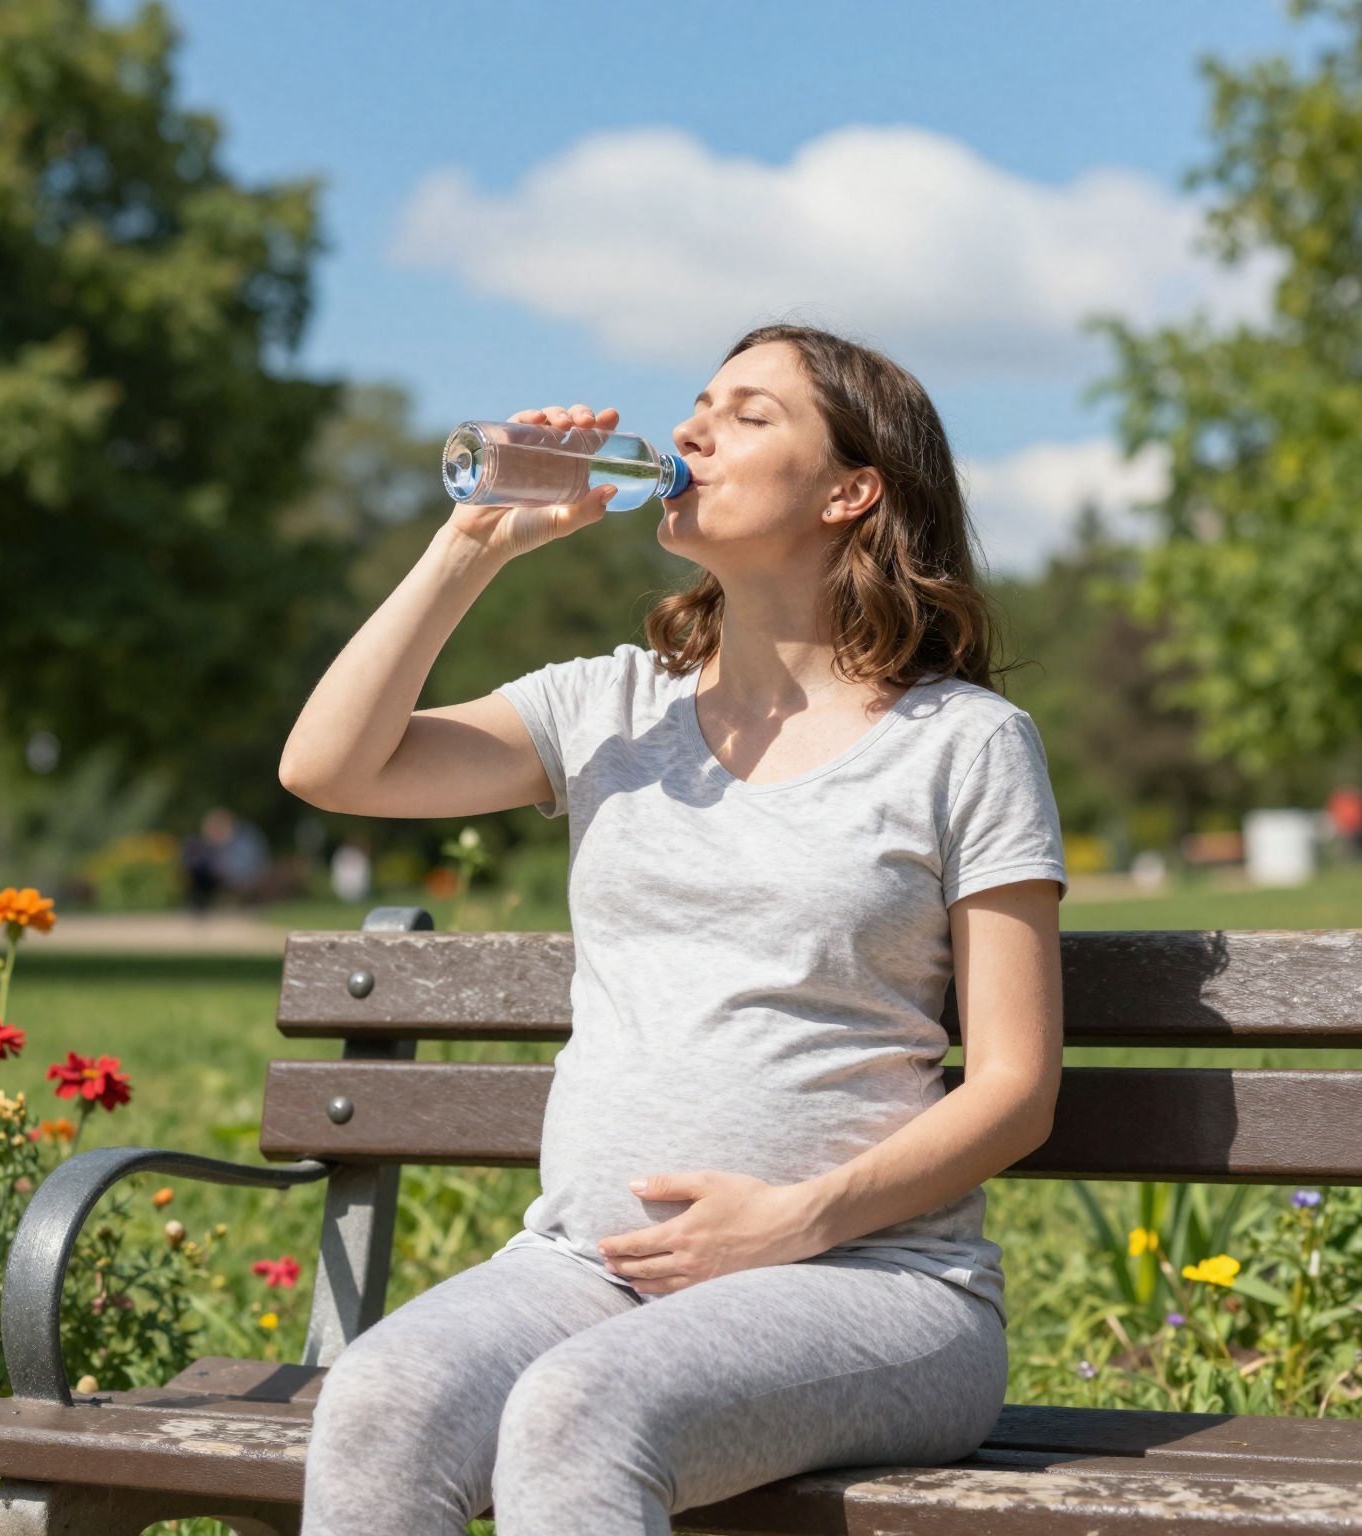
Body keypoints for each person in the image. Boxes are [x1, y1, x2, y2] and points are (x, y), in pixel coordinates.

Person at [278, 324, 1068, 1534]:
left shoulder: (963, 744)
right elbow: (331, 767)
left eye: (750, 415)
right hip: (584, 1270)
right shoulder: (607, 706)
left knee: (577, 1410)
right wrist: (468, 546)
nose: (693, 429)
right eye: (699, 403)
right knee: (381, 1401)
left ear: (850, 492)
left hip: (875, 1284)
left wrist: (795, 1219)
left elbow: (1015, 1091)